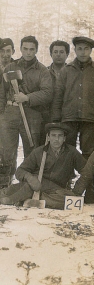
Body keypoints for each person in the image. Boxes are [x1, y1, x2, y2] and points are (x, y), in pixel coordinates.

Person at [0, 36, 52, 185]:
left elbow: (48, 93)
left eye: (32, 49)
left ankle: (27, 183)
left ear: (36, 50)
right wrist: (2, 113)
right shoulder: (11, 67)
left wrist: (27, 97)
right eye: (25, 49)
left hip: (32, 114)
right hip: (9, 114)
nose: (28, 52)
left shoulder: (42, 70)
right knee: (6, 150)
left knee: (31, 149)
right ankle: (5, 183)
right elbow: (2, 92)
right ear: (20, 49)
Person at [52, 36, 94, 158]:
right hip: (69, 118)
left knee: (89, 151)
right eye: (80, 49)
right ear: (75, 50)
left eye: (86, 49)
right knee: (67, 150)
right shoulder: (66, 70)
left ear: (90, 51)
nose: (83, 52)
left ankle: (87, 176)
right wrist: (56, 118)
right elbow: (58, 95)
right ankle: (67, 176)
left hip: (90, 118)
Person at [0, 123, 86, 209]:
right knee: (12, 191)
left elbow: (86, 171)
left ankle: (29, 198)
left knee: (72, 199)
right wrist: (30, 178)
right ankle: (19, 197)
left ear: (64, 138)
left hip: (56, 190)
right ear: (48, 137)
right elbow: (20, 171)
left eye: (60, 136)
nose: (56, 139)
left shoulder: (72, 152)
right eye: (53, 135)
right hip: (36, 185)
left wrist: (78, 189)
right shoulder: (39, 152)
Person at [40, 40, 70, 145]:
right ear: (50, 54)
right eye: (55, 52)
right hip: (46, 116)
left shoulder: (72, 73)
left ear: (67, 54)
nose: (58, 55)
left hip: (66, 117)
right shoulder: (44, 72)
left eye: (61, 52)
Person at [0, 38, 16, 187]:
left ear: (13, 52)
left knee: (8, 147)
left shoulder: (14, 68)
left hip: (8, 113)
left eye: (8, 51)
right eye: (2, 51)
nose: (5, 54)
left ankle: (8, 177)